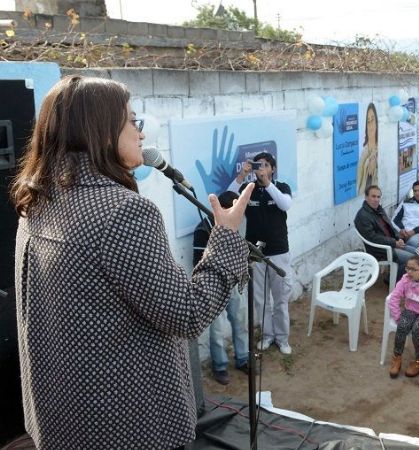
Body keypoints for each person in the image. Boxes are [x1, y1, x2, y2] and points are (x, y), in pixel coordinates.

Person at [11, 76, 255, 449]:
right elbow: (186, 314)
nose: (140, 133)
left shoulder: (38, 199)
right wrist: (225, 239)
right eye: (131, 120)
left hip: (62, 415)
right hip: (127, 425)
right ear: (101, 129)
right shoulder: (122, 212)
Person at [237, 151, 295, 354]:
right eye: (257, 165)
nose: (260, 169)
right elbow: (228, 200)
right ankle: (268, 335)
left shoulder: (281, 187)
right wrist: (242, 176)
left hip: (279, 250)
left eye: (265, 165)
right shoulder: (247, 188)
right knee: (260, 299)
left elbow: (285, 204)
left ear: (273, 169)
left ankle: (282, 338)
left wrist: (267, 183)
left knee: (280, 299)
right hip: (255, 252)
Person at [194, 191, 251, 385]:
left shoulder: (238, 225)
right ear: (225, 209)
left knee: (240, 321)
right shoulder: (203, 229)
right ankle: (220, 366)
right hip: (214, 285)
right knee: (216, 330)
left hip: (234, 283)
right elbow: (198, 262)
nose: (239, 214)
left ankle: (243, 359)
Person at [355, 185, 415, 276]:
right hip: (380, 249)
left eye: (378, 197)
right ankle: (396, 281)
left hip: (391, 244)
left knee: (417, 253)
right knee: (415, 261)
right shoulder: (363, 216)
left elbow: (390, 226)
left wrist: (398, 238)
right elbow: (373, 238)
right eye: (373, 196)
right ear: (366, 197)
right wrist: (394, 243)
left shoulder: (378, 209)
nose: (376, 199)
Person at [357, 102, 379, 195]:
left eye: (372, 120)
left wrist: (374, 158)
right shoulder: (364, 153)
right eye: (368, 121)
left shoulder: (377, 149)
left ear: (376, 122)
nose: (370, 125)